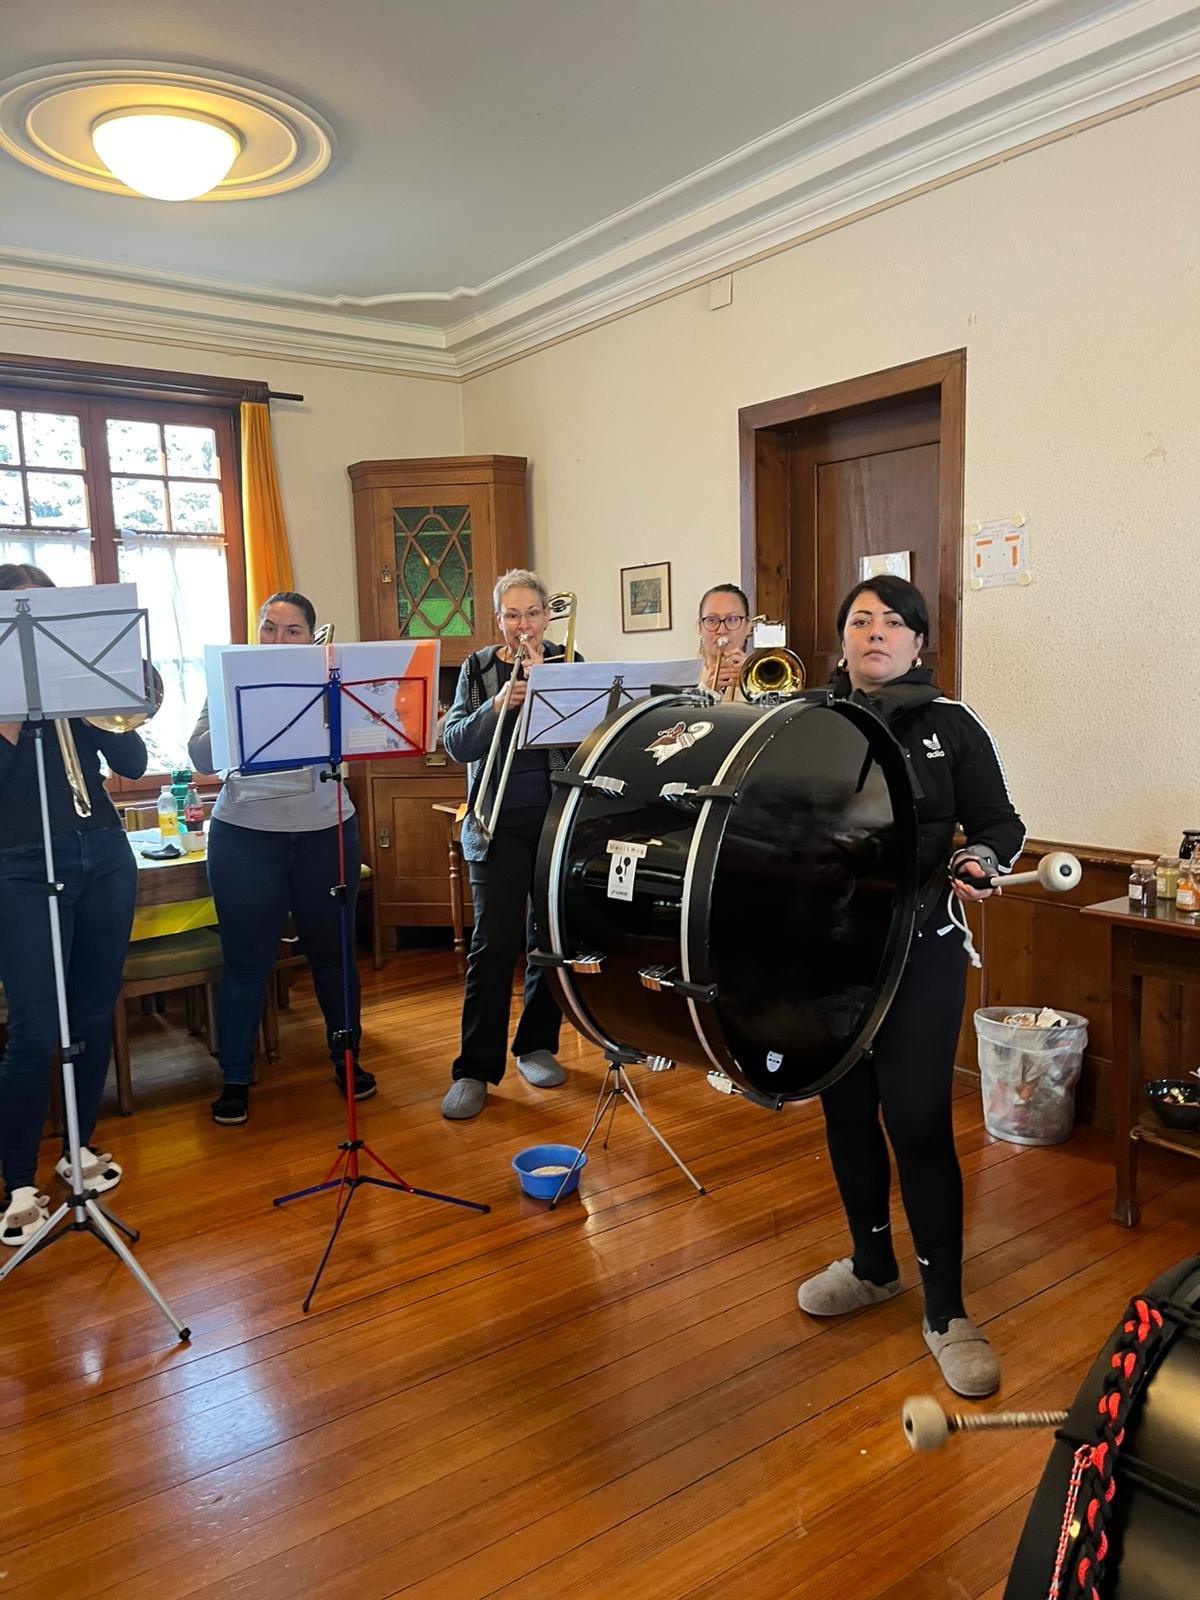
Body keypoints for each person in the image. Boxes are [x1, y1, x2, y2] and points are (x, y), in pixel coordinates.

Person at [795, 575, 1024, 1398]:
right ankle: (870, 1264)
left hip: (920, 944)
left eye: (895, 621)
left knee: (919, 1116)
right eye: (860, 620)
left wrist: (978, 860)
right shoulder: (807, 721)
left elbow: (1000, 822)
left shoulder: (953, 726)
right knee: (845, 1106)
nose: (877, 633)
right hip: (832, 950)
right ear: (843, 638)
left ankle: (947, 1310)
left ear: (921, 642)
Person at [189, 591, 375, 1126]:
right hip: (245, 835)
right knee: (246, 965)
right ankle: (235, 1077)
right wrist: (230, 716)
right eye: (269, 628)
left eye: (291, 630)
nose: (277, 639)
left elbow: (369, 733)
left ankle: (347, 1058)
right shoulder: (229, 678)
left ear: (311, 638)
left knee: (334, 956)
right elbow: (200, 753)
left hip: (326, 830)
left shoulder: (332, 685)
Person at [0, 564, 144, 1245]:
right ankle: (18, 1181)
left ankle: (78, 1145)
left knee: (90, 1011)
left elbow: (135, 759)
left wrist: (97, 693)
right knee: (33, 1029)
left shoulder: (74, 693)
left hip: (104, 852)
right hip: (17, 868)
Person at [440, 570, 577, 1120]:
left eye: (533, 613)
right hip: (494, 824)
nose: (524, 625)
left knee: (548, 940)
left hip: (554, 822)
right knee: (493, 947)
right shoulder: (476, 670)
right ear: (499, 619)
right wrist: (496, 705)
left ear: (548, 617)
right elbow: (455, 743)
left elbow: (589, 738)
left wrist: (553, 691)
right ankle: (474, 1069)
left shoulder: (569, 662)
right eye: (512, 614)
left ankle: (536, 1045)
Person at [696, 583, 754, 698]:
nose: (722, 630)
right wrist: (705, 691)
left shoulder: (761, 675)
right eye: (712, 620)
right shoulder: (678, 676)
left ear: (748, 627)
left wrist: (753, 684)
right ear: (700, 629)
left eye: (732, 619)